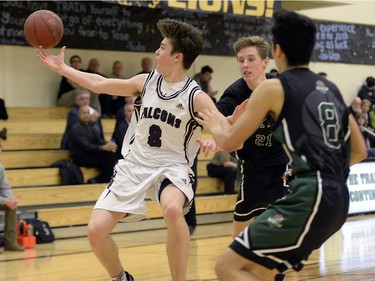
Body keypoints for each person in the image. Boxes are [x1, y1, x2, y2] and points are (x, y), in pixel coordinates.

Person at [36, 18, 219, 281]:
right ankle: (121, 278)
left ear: (177, 57)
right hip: (134, 163)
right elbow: (99, 84)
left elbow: (225, 129)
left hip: (173, 165)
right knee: (96, 231)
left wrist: (216, 141)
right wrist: (62, 68)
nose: (156, 52)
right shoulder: (145, 82)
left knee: (172, 209)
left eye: (162, 47)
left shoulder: (196, 96)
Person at [196, 10, 367, 281]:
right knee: (264, 271)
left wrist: (215, 126)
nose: (245, 64)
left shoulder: (274, 87)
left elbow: (228, 140)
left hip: (309, 192)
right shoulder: (330, 86)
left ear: (275, 52)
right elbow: (359, 151)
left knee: (228, 267)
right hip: (339, 198)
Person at [212, 35, 289, 281]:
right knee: (239, 239)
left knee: (280, 234)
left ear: (265, 62)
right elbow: (216, 120)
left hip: (282, 170)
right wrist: (226, 125)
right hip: (252, 170)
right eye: (241, 60)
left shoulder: (280, 87)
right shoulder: (235, 93)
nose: (245, 65)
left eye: (251, 59)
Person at [69, 105, 117, 184]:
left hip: (91, 153)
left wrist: (109, 145)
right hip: (80, 156)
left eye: (88, 113)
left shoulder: (91, 126)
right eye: (83, 113)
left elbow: (98, 140)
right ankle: (99, 180)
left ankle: (102, 179)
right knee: (109, 158)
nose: (86, 115)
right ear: (79, 115)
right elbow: (86, 146)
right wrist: (102, 148)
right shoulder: (76, 129)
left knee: (112, 155)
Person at [0, 145, 24, 252]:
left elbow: (5, 187)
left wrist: (10, 199)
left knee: (12, 206)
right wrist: (5, 201)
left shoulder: (0, 168)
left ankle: (10, 242)